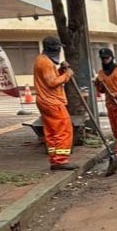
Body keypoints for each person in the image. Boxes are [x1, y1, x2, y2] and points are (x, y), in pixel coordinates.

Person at [33, 36, 76, 170]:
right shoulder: (46, 62)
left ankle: (54, 158)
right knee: (63, 129)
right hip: (52, 102)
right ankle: (61, 160)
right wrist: (67, 74)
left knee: (51, 131)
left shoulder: (41, 60)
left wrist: (60, 71)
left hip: (44, 100)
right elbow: (52, 82)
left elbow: (50, 77)